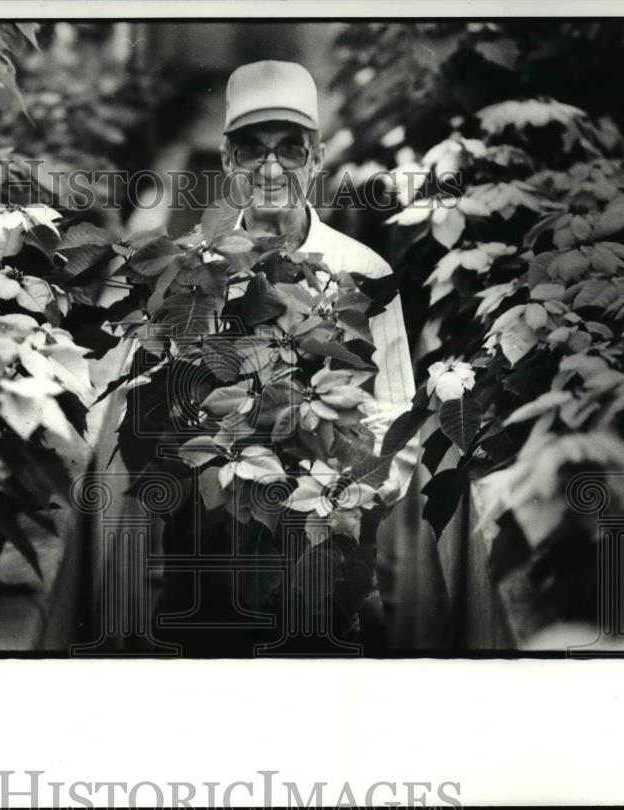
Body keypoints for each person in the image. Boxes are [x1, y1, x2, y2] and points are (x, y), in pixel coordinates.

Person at [147, 61, 422, 655]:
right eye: (251, 151)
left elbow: (397, 418)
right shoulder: (192, 270)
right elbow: (157, 408)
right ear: (226, 162)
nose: (270, 169)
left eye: (290, 151)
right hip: (209, 550)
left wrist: (345, 498)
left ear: (317, 160)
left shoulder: (365, 273)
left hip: (324, 544)